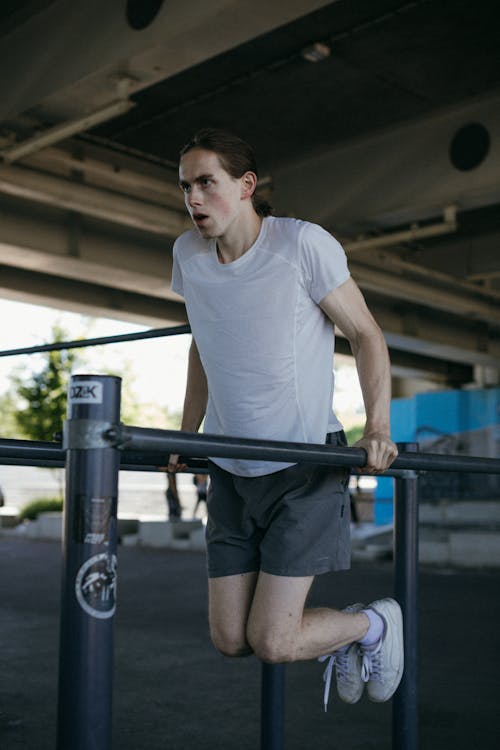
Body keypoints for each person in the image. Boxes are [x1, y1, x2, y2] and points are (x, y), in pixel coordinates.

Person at [167, 128, 402, 709]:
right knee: (230, 639)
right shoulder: (186, 255)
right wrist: (185, 430)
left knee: (272, 640)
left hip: (303, 463)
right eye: (185, 186)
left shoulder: (301, 244)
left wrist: (378, 427)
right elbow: (203, 344)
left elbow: (365, 333)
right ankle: (349, 634)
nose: (193, 198)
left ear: (245, 186)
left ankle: (372, 626)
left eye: (206, 183)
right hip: (229, 468)